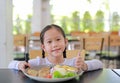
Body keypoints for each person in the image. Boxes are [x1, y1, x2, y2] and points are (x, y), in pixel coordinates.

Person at [8, 24, 103, 72]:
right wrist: (20, 65)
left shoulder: (74, 63)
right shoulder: (37, 63)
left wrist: (84, 66)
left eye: (58, 39)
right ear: (44, 47)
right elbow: (10, 64)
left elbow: (99, 63)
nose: (54, 45)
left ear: (65, 42)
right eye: (49, 42)